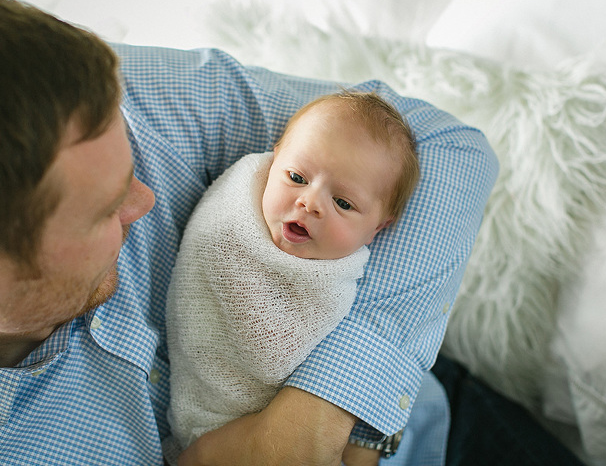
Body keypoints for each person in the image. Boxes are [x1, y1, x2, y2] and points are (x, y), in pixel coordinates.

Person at [0, 0, 503, 465]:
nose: (145, 200)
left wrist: (315, 414)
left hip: (428, 417)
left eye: (128, 168)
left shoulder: (106, 96)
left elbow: (444, 147)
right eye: (104, 210)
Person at [166, 91, 419, 460]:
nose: (309, 202)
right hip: (220, 427)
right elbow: (270, 357)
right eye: (297, 176)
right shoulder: (231, 218)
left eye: (343, 203)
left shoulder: (351, 271)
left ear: (377, 230)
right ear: (274, 160)